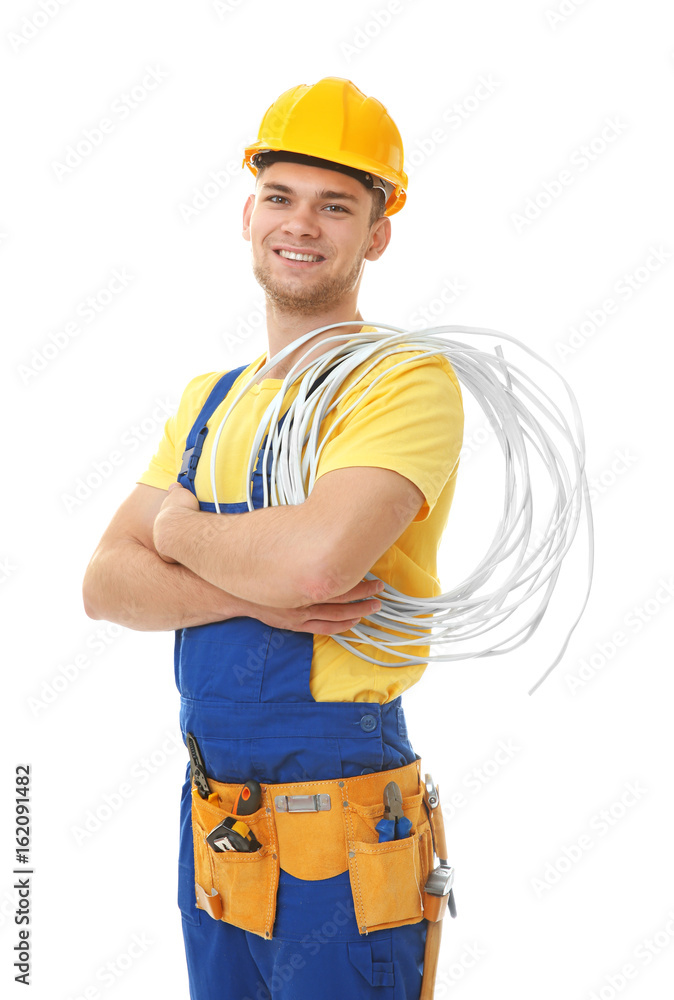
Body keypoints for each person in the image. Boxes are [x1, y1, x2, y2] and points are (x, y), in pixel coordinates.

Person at [82, 76, 465, 1000]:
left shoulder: (401, 384)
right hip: (218, 815)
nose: (303, 224)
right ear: (250, 213)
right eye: (282, 198)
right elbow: (104, 584)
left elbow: (319, 562)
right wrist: (257, 591)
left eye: (337, 205)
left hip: (338, 813)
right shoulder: (210, 401)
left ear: (377, 233)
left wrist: (178, 531)